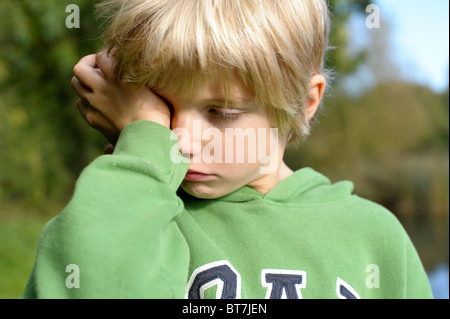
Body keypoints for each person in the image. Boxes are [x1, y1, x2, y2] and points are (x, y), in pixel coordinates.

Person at [22, 0, 432, 298]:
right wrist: (141, 147)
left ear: (305, 103)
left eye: (221, 112)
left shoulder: (376, 239)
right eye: (159, 108)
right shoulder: (129, 211)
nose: (180, 139)